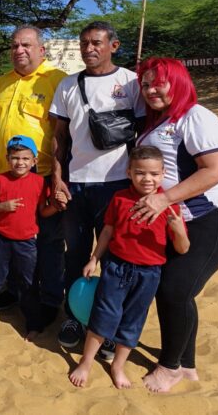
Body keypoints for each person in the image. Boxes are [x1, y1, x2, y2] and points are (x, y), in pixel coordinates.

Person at [131, 57, 218, 393]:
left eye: (158, 82)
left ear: (177, 81)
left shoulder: (196, 116)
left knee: (175, 290)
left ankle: (170, 366)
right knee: (175, 291)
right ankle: (187, 364)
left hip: (211, 219)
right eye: (145, 84)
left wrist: (164, 199)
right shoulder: (156, 122)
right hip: (178, 223)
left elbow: (216, 170)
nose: (150, 90)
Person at [50, 21, 146, 352]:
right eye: (84, 43)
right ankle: (74, 316)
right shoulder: (67, 85)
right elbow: (59, 136)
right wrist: (57, 177)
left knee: (114, 259)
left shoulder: (131, 83)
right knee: (74, 254)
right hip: (76, 186)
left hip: (118, 186)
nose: (89, 49)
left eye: (96, 43)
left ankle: (105, 326)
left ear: (113, 46)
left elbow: (143, 136)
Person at [68, 146, 189, 389]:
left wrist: (177, 231)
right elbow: (108, 231)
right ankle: (86, 362)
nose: (147, 179)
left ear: (163, 173)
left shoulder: (170, 205)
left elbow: (183, 248)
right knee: (103, 315)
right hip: (116, 268)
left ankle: (118, 366)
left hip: (149, 274)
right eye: (140, 173)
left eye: (154, 174)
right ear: (129, 172)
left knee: (133, 321)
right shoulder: (120, 198)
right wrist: (94, 258)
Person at [0, 25, 67, 326]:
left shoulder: (57, 81)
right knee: (11, 235)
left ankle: (50, 299)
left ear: (41, 50)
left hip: (45, 175)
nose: (18, 50)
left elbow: (65, 133)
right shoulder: (3, 82)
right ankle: (17, 288)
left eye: (26, 45)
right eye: (14, 46)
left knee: (48, 241)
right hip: (9, 177)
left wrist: (60, 177)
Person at [0, 136, 62, 336]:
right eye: (16, 158)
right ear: (8, 158)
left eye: (26, 159)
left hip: (27, 243)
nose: (20, 162)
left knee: (28, 283)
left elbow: (42, 212)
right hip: (0, 239)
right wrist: (3, 206)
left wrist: (55, 206)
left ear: (34, 161)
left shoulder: (38, 183)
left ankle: (33, 323)